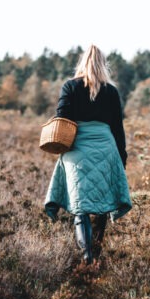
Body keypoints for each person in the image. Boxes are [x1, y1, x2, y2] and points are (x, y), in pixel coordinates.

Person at [44, 44, 132, 265]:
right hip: (106, 149)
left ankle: (86, 256)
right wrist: (121, 157)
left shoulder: (70, 87)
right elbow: (117, 128)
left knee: (80, 206)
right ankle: (97, 251)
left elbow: (62, 118)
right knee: (102, 203)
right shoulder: (111, 91)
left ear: (82, 63)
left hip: (76, 150)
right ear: (104, 65)